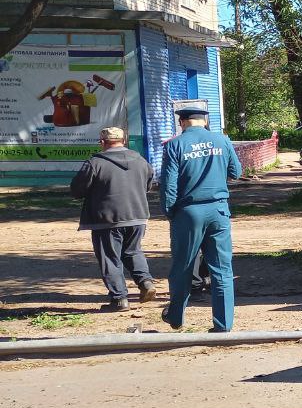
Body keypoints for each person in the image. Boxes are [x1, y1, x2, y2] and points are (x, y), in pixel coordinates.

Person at [159, 106, 242, 331]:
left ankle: (176, 316)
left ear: (182, 122)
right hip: (219, 210)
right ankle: (223, 325)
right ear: (204, 122)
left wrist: (170, 212)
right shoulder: (222, 140)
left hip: (189, 212)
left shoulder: (175, 145)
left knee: (183, 266)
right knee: (222, 269)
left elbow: (169, 184)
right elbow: (236, 171)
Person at [69, 127, 157, 311]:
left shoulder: (95, 163)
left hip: (106, 219)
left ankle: (119, 300)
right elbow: (149, 185)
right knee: (133, 251)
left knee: (110, 258)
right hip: (138, 217)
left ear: (102, 142)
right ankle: (146, 282)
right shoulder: (141, 161)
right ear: (124, 141)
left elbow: (77, 190)